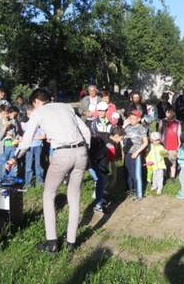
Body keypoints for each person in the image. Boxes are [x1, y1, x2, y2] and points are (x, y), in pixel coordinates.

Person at [16, 88, 90, 253]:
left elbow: (27, 139)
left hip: (62, 154)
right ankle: (71, 242)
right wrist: (86, 152)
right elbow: (85, 131)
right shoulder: (66, 107)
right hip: (81, 152)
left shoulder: (39, 111)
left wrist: (15, 157)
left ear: (36, 102)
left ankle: (52, 243)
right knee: (74, 196)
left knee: (49, 195)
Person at [88, 101, 123, 212]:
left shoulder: (110, 124)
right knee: (96, 173)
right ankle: (99, 194)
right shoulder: (93, 123)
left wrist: (118, 136)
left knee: (103, 175)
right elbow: (96, 136)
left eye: (104, 110)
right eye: (100, 110)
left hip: (105, 152)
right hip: (95, 152)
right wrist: (111, 137)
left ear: (107, 111)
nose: (101, 112)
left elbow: (116, 132)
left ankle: (100, 198)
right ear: (97, 111)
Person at [122, 110, 148, 201]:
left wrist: (137, 152)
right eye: (130, 118)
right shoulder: (127, 128)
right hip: (127, 153)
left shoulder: (141, 128)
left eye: (134, 118)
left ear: (139, 119)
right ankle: (131, 190)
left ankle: (139, 194)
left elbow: (145, 142)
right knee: (129, 173)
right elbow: (123, 138)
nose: (131, 120)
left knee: (136, 174)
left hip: (135, 154)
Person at [22, 106, 46, 187]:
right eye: (31, 115)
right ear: (28, 115)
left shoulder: (40, 125)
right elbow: (24, 136)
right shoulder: (26, 125)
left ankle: (40, 181)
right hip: (29, 146)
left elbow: (43, 136)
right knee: (28, 165)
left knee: (38, 164)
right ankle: (28, 183)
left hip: (38, 145)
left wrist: (32, 137)